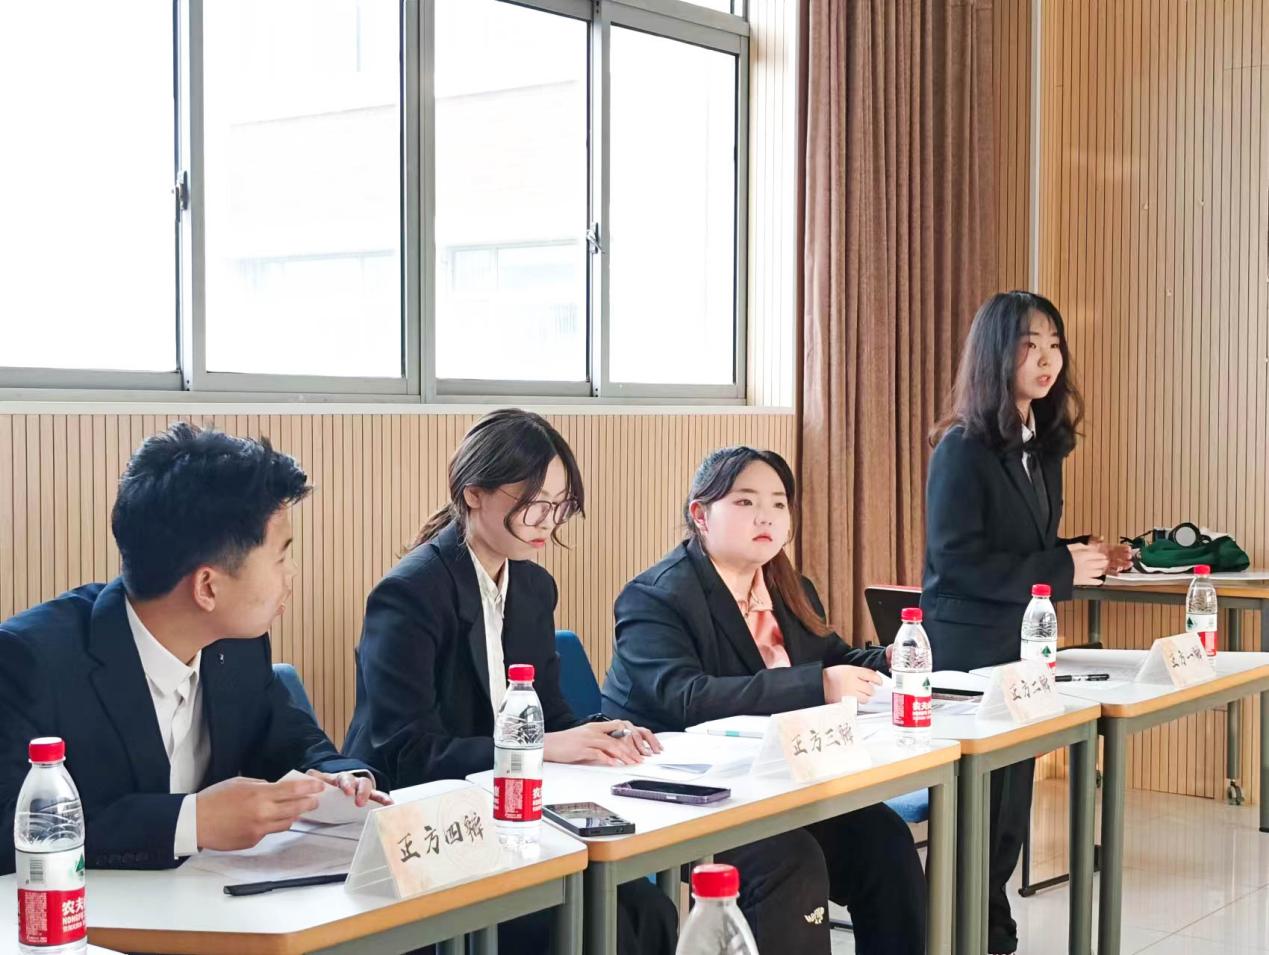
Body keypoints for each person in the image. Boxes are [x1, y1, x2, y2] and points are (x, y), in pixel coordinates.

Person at [343, 408, 675, 955]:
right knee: (596, 924)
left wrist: (602, 733)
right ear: (473, 493)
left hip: (510, 819)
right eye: (535, 504)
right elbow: (407, 754)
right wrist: (543, 747)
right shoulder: (411, 594)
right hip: (424, 829)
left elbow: (550, 714)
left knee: (647, 911)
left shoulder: (532, 586)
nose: (547, 522)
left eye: (559, 506)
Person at [0, 423, 388, 875]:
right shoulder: (29, 661)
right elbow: (9, 828)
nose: (292, 574)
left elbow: (289, 738)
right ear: (207, 586)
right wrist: (190, 822)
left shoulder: (237, 643)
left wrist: (340, 776)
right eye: (281, 557)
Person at [603, 445, 926, 955]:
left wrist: (889, 658)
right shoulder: (655, 596)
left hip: (777, 783)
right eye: (745, 501)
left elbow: (833, 659)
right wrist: (818, 685)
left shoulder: (791, 589)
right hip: (686, 794)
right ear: (700, 514)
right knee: (791, 862)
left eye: (778, 504)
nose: (766, 517)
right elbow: (685, 697)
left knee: (883, 841)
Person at [922, 290, 1131, 953]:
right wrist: (1062, 565)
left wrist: (1082, 554)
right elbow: (957, 565)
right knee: (980, 818)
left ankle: (991, 935)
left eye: (1054, 345)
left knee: (1009, 818)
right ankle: (962, 936)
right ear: (995, 353)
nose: (1046, 360)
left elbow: (1020, 548)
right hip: (969, 654)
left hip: (1021, 652)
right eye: (1028, 345)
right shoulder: (961, 448)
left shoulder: (1041, 446)